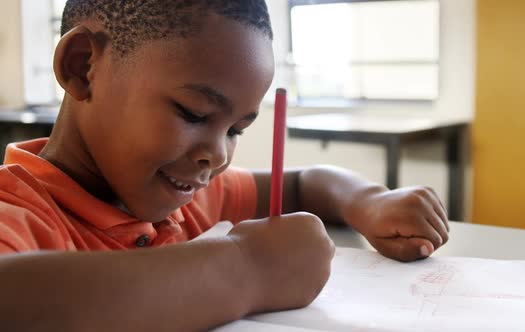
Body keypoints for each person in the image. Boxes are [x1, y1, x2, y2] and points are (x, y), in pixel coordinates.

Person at [0, 1, 449, 331]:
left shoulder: (179, 200)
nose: (217, 156)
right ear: (82, 67)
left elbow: (310, 182)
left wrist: (369, 200)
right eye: (193, 114)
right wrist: (246, 270)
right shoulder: (18, 212)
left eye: (236, 129)